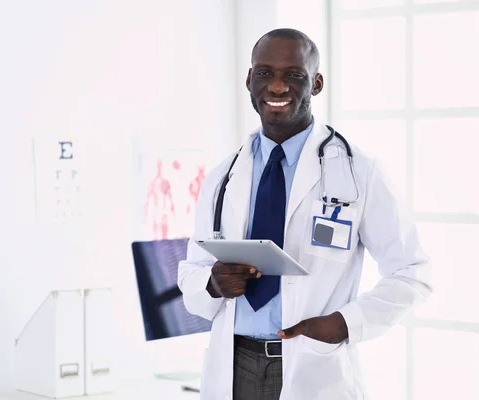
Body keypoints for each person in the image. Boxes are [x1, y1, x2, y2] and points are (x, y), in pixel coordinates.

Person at [178, 28, 432, 400]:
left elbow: (413, 273)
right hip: (234, 367)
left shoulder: (359, 172)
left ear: (316, 83)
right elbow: (192, 271)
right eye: (265, 73)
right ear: (250, 80)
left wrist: (344, 324)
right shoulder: (223, 177)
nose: (277, 87)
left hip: (313, 367)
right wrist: (212, 285)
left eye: (293, 75)